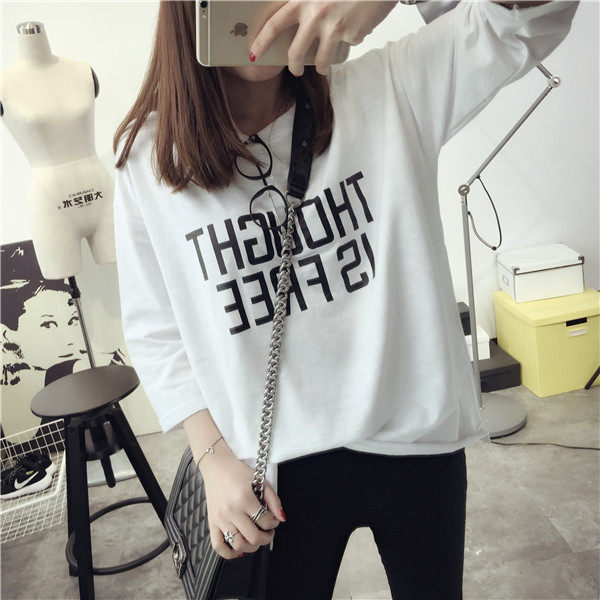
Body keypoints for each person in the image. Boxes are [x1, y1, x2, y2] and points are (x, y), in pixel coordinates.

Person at [112, 1, 579, 598]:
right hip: (269, 471)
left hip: (414, 440)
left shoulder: (387, 89)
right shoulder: (149, 160)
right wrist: (213, 460)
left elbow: (532, 19)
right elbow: (157, 331)